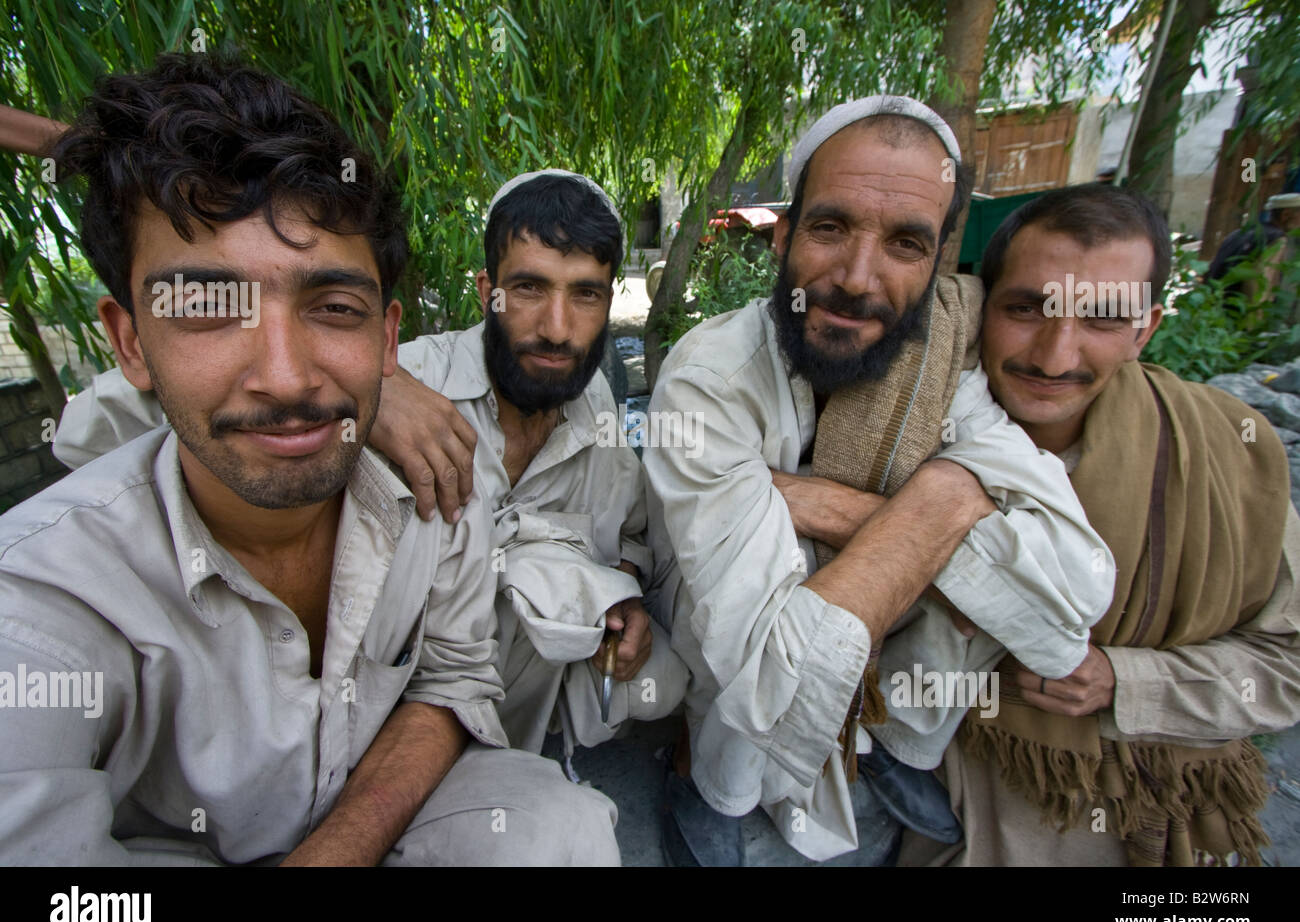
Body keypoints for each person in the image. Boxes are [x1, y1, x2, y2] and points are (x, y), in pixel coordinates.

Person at [0, 52, 620, 866]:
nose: (286, 376)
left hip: (388, 800)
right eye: (208, 308)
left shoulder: (443, 482)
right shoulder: (37, 608)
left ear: (385, 334)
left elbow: (452, 679)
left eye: (333, 308)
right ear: (128, 342)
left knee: (562, 828)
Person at [53, 169, 687, 765]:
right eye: (528, 289)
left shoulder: (595, 405)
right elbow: (97, 428)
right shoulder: (402, 374)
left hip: (512, 715)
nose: (556, 328)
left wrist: (622, 592)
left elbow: (627, 532)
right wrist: (369, 400)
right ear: (486, 293)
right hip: (373, 728)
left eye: (585, 295)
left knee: (661, 677)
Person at [642, 95, 1114, 865]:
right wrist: (945, 507)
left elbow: (1074, 602)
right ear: (784, 238)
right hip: (722, 644)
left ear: (936, 263)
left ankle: (894, 745)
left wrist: (879, 505)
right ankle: (704, 785)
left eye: (904, 243)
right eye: (830, 228)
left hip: (868, 638)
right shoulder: (710, 379)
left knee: (949, 566)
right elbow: (766, 675)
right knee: (742, 614)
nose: (858, 279)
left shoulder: (944, 370)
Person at [899, 183, 1300, 866]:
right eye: (1026, 309)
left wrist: (1123, 681)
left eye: (1104, 320)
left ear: (1147, 328)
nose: (1055, 357)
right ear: (977, 306)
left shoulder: (1227, 456)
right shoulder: (904, 432)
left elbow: (1286, 666)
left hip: (1145, 824)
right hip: (946, 812)